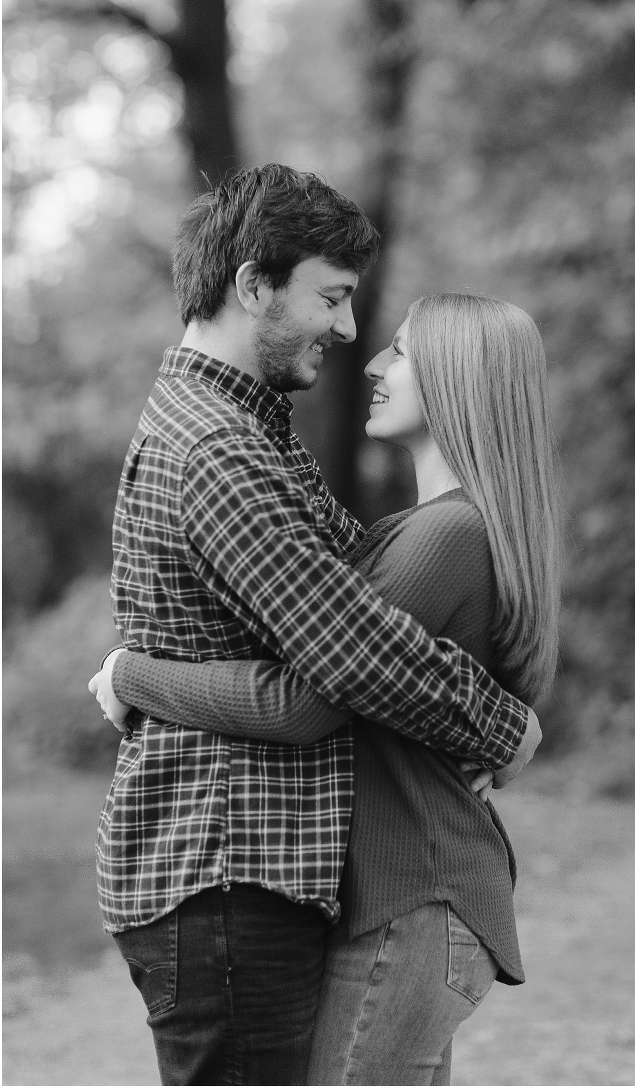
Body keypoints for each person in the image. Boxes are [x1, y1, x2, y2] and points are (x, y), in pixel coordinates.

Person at [90, 164, 540, 1087]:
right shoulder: (219, 447)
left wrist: (132, 674)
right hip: (223, 866)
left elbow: (354, 616)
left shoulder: (254, 436)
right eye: (330, 297)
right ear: (253, 285)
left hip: (249, 873)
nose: (348, 330)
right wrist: (508, 727)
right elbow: (350, 659)